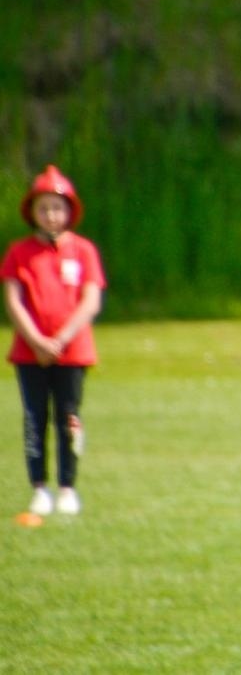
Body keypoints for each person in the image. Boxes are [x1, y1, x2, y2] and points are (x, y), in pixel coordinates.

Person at [4, 165, 105, 518]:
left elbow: (90, 300)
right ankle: (39, 488)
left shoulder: (83, 251)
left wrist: (60, 339)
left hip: (72, 352)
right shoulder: (19, 252)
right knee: (35, 419)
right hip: (30, 354)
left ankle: (67, 487)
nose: (51, 215)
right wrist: (36, 341)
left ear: (69, 212)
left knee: (69, 417)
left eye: (57, 208)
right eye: (44, 208)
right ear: (33, 212)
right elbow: (14, 300)